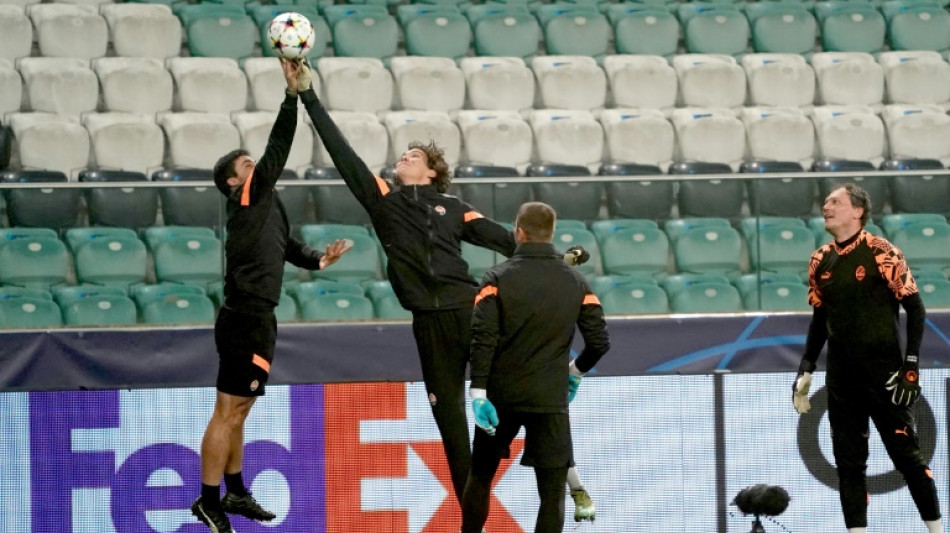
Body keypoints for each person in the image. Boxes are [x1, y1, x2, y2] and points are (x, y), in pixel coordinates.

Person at [296, 64, 589, 515]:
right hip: (429, 325)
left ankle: (570, 480)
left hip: (470, 309)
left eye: (414, 156)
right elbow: (343, 153)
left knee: (526, 391)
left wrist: (554, 259)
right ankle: (476, 520)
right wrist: (308, 96)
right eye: (404, 155)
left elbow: (506, 240)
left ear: (432, 173)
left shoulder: (453, 208)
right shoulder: (383, 200)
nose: (404, 158)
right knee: (453, 429)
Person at [190, 59, 352, 533]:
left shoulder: (267, 203)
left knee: (240, 408)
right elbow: (278, 147)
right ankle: (207, 501)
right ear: (233, 184)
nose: (255, 166)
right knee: (228, 410)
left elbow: (287, 247)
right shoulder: (247, 198)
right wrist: (292, 95)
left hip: (259, 318)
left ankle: (235, 490)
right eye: (247, 166)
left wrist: (319, 259)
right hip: (245, 320)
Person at [791, 184, 942, 533]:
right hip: (842, 381)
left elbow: (915, 308)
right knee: (849, 465)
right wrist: (807, 366)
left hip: (885, 376)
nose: (826, 206)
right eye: (826, 202)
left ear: (857, 211)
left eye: (835, 202)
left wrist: (911, 365)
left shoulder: (881, 251)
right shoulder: (819, 259)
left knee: (908, 457)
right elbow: (819, 318)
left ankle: (936, 530)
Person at [462, 202, 610, 533]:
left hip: (501, 396)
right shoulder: (576, 282)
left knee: (481, 477)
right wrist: (575, 372)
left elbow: (482, 339)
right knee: (552, 495)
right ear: (552, 233)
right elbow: (599, 342)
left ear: (518, 232)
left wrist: (478, 392)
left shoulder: (495, 279)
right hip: (550, 399)